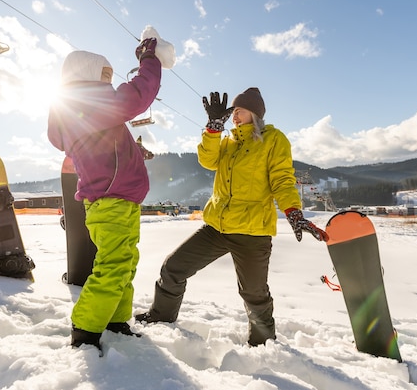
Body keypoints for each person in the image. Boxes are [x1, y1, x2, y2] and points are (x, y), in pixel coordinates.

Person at [135, 88, 329, 346]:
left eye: (240, 111)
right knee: (173, 268)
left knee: (254, 293)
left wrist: (293, 211)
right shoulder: (228, 142)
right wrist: (213, 129)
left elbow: (282, 180)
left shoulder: (274, 140)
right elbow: (207, 159)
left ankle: (263, 344)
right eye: (233, 112)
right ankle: (161, 319)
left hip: (252, 232)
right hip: (217, 227)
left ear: (256, 114)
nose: (234, 117)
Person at [47, 37, 162, 352]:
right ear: (86, 76)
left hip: (121, 201)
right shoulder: (89, 103)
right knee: (113, 265)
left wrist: (133, 151)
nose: (111, 83)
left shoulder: (88, 112)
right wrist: (149, 58)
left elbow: (103, 148)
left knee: (124, 263)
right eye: (106, 76)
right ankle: (85, 328)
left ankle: (115, 320)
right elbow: (140, 92)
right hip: (110, 202)